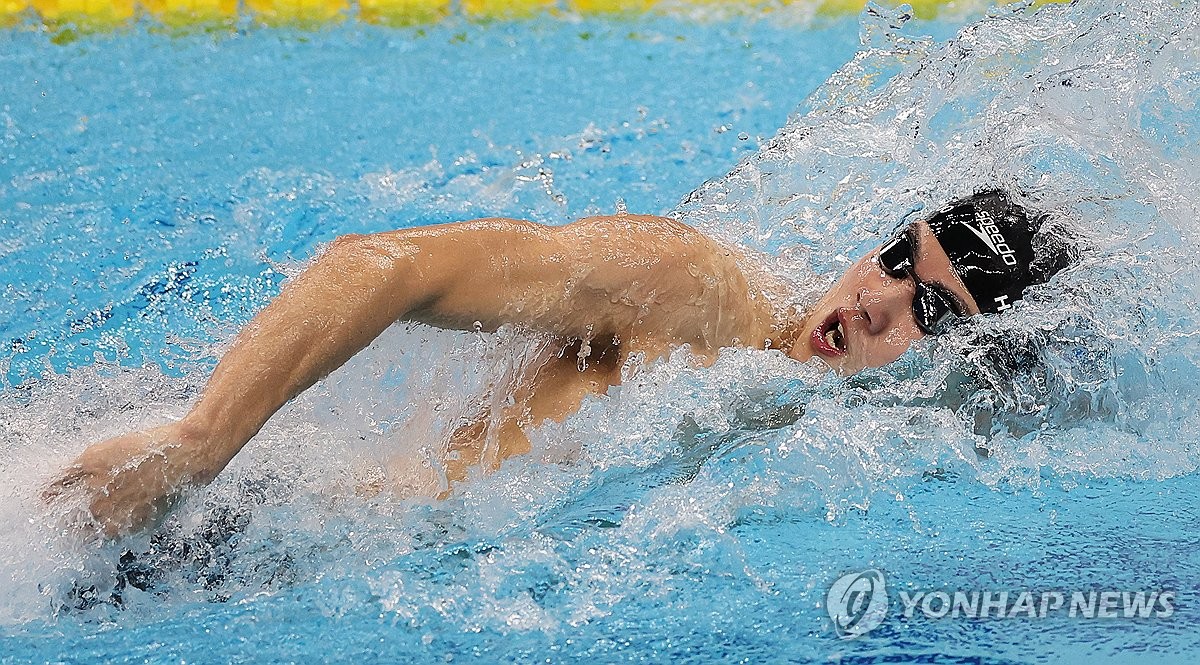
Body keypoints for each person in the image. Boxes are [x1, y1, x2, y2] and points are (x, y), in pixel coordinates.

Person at [43, 189, 1075, 538]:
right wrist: (200, 443)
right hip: (224, 519)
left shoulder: (877, 449)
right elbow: (384, 264)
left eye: (929, 308)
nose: (870, 301)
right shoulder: (694, 292)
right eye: (896, 259)